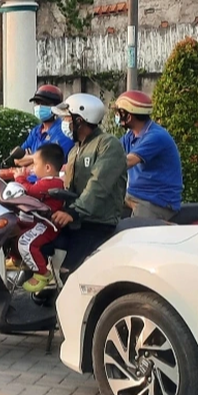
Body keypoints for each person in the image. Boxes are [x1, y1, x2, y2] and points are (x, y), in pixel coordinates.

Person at [51, 93, 128, 273]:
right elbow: (68, 187)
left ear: (80, 120)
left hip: (97, 223)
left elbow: (98, 185)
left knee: (69, 271)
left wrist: (75, 211)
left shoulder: (108, 145)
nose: (65, 123)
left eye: (68, 118)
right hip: (77, 220)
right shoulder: (75, 150)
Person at [115, 91, 183, 221]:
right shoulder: (131, 136)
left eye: (119, 113)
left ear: (129, 117)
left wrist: (103, 167)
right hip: (134, 195)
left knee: (135, 236)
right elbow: (111, 151)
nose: (117, 116)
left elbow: (128, 161)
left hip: (155, 201)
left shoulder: (155, 136)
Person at [12, 143, 66, 293]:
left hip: (46, 225)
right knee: (12, 227)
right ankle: (17, 258)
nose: (33, 167)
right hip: (36, 220)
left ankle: (43, 273)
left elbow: (30, 191)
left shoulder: (53, 183)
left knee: (26, 242)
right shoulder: (45, 181)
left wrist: (20, 178)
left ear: (48, 168)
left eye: (35, 164)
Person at [13, 85, 74, 170]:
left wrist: (30, 157)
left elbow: (50, 164)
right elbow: (17, 160)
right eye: (38, 103)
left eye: (45, 104)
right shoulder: (35, 131)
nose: (39, 107)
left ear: (56, 107)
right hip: (28, 180)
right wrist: (38, 158)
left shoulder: (64, 131)